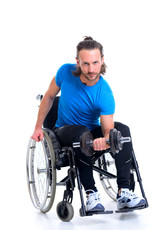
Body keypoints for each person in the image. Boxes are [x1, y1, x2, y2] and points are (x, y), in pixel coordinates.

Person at [31, 37, 146, 212]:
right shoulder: (65, 72)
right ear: (77, 62)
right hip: (64, 131)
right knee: (82, 133)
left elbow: (108, 129)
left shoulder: (104, 93)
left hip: (89, 133)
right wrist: (38, 127)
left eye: (95, 63)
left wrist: (106, 140)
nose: (91, 69)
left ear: (102, 61)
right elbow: (48, 97)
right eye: (85, 64)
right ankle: (91, 194)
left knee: (122, 131)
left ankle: (124, 191)